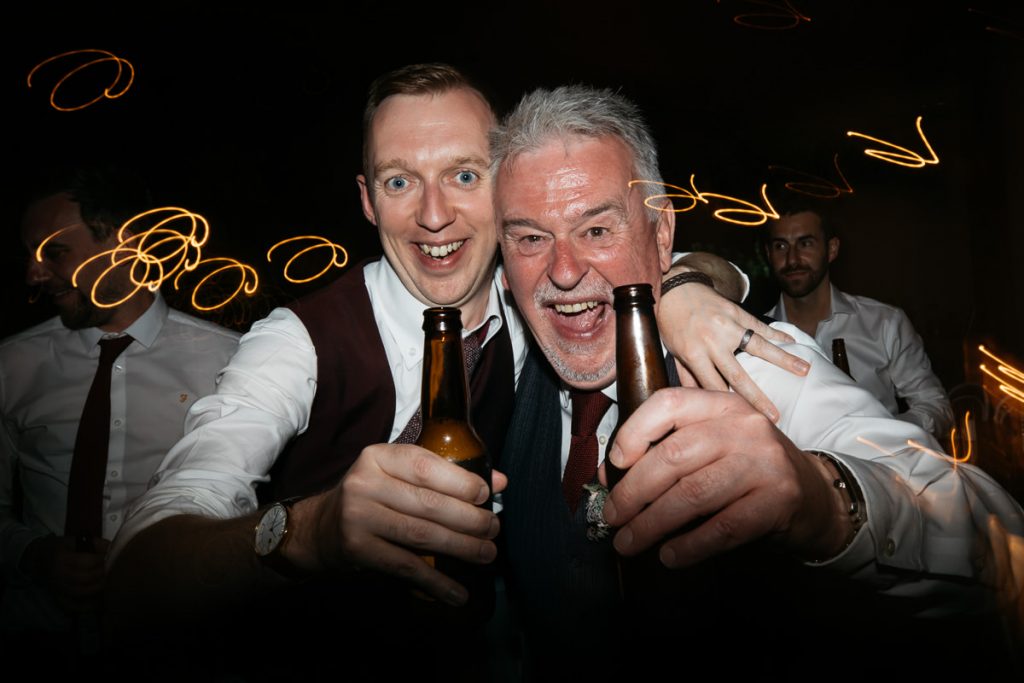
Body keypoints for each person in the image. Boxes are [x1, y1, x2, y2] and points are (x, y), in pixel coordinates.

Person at [103, 64, 804, 678]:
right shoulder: (301, 343)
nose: (434, 216)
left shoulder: (542, 302)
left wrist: (687, 286)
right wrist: (307, 533)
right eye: (400, 180)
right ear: (367, 199)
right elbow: (136, 576)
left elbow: (629, 253)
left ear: (507, 190)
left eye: (464, 175)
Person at [490, 85, 1024, 679]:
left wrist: (826, 501)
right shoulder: (502, 363)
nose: (563, 272)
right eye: (531, 238)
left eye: (597, 230)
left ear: (662, 234)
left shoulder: (745, 363)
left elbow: (997, 539)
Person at [0, 163, 240, 668]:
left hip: (185, 648)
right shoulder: (11, 365)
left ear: (119, 241)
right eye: (29, 257)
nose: (33, 275)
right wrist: (35, 555)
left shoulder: (231, 361)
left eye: (52, 253)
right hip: (35, 645)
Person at [763, 201, 954, 439]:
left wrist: (883, 433)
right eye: (781, 246)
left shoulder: (884, 323)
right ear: (769, 255)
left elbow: (936, 406)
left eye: (805, 243)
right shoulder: (758, 337)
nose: (792, 259)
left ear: (831, 250)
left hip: (879, 471)